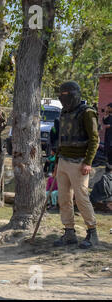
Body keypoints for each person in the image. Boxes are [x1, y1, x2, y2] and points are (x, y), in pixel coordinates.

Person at [54, 81, 100, 249]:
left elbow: (94, 139)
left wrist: (88, 162)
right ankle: (69, 232)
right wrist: (57, 163)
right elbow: (61, 140)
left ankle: (92, 232)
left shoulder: (87, 113)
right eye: (61, 95)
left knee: (81, 199)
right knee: (63, 199)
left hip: (80, 163)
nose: (63, 98)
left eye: (66, 95)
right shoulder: (64, 112)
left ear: (74, 94)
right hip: (63, 161)